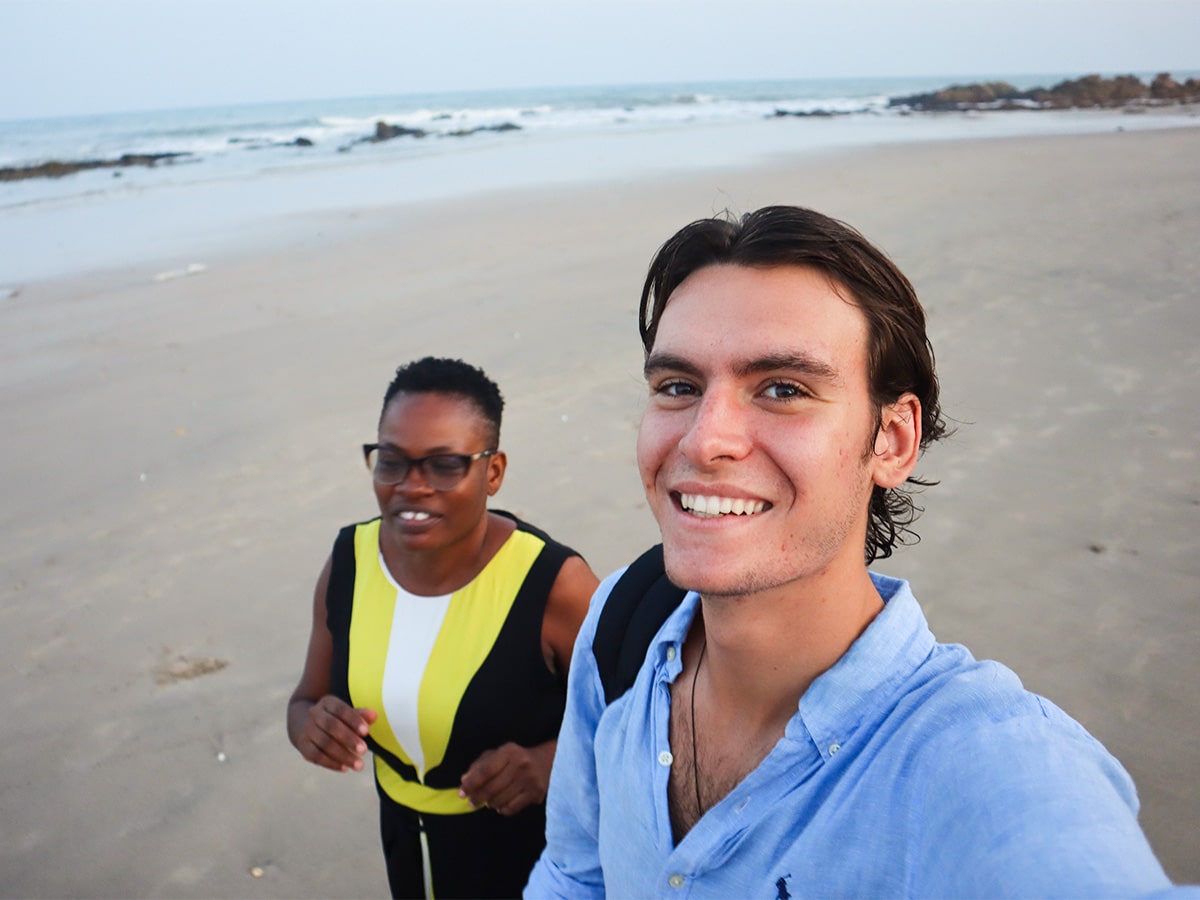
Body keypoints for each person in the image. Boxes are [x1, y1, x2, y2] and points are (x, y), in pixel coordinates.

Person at [526, 207, 1176, 897]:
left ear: (892, 440)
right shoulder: (624, 621)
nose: (703, 440)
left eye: (784, 389)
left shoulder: (981, 763)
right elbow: (575, 872)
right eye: (678, 387)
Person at [288, 356, 599, 899]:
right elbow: (304, 702)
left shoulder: (552, 585)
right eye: (392, 461)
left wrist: (549, 762)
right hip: (408, 843)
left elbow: (647, 722)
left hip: (536, 855)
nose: (412, 486)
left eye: (443, 465)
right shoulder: (349, 562)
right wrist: (314, 729)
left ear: (493, 472)